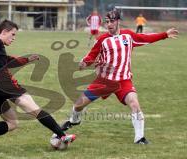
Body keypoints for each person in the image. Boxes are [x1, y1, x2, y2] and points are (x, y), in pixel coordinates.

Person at [61, 10, 178, 144]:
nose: (109, 24)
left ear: (118, 21)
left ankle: (139, 138)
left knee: (134, 104)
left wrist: (165, 35)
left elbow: (146, 38)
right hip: (104, 81)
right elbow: (91, 55)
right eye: (107, 22)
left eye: (111, 21)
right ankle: (74, 120)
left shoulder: (128, 36)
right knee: (78, 105)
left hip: (123, 80)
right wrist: (84, 63)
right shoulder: (102, 39)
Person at [0, 19, 76, 150]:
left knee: (12, 123)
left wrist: (27, 59)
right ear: (4, 32)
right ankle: (62, 135)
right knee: (35, 110)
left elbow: (7, 60)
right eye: (13, 34)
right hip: (3, 86)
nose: (14, 38)